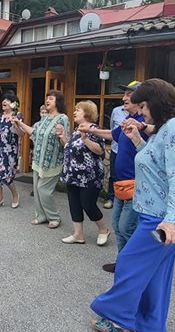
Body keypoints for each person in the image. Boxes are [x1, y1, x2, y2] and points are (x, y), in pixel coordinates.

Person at [90, 78, 175, 332]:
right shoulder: (167, 127)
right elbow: (156, 163)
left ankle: (119, 317)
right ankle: (148, 325)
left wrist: (171, 220)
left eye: (143, 106)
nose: (140, 111)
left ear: (156, 103)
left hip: (163, 219)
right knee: (155, 276)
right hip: (158, 214)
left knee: (129, 262)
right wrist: (138, 139)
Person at [83, 82, 148, 272]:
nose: (123, 98)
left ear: (141, 99)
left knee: (127, 227)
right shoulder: (129, 119)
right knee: (119, 226)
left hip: (136, 184)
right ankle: (124, 263)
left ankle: (135, 266)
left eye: (129, 95)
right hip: (121, 183)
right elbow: (113, 134)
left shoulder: (143, 123)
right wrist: (92, 130)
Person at [13, 90, 69, 229]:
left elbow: (66, 142)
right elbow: (33, 132)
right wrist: (19, 123)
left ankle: (54, 217)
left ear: (58, 102)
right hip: (38, 160)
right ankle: (41, 215)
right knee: (37, 190)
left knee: (43, 190)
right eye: (47, 98)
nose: (47, 101)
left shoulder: (63, 118)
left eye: (50, 98)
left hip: (53, 161)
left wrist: (62, 136)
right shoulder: (44, 119)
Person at [60, 101, 110, 246]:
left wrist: (86, 138)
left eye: (78, 110)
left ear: (87, 113)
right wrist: (64, 138)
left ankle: (103, 230)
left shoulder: (93, 129)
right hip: (73, 175)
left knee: (88, 204)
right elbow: (72, 148)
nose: (74, 112)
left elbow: (100, 151)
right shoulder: (77, 129)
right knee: (74, 204)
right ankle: (78, 234)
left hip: (89, 176)